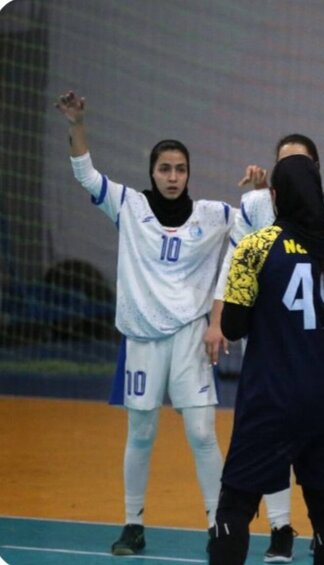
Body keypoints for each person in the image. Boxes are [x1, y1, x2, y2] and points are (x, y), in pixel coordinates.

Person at [55, 90, 231, 556]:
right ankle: (133, 524)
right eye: (165, 169)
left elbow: (254, 228)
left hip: (191, 336)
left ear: (189, 173)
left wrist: (259, 190)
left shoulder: (212, 215)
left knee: (201, 433)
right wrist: (76, 124)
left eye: (180, 169)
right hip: (142, 338)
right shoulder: (128, 206)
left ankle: (219, 525)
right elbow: (85, 174)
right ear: (152, 172)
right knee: (142, 432)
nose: (172, 177)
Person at [209, 154, 324, 565]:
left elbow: (233, 326)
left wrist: (278, 322)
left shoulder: (256, 248)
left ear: (276, 196)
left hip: (273, 398)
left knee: (235, 504)